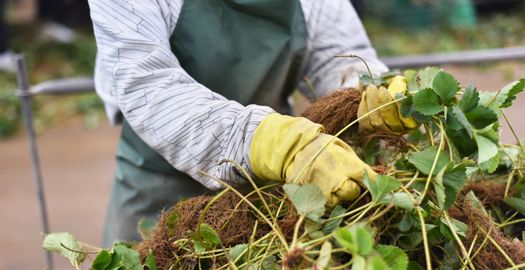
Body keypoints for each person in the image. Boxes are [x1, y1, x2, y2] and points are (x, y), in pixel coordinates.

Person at [88, 0, 412, 246]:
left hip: (266, 190)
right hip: (158, 192)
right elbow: (148, 86)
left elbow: (338, 55)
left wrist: (369, 92)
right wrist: (268, 141)